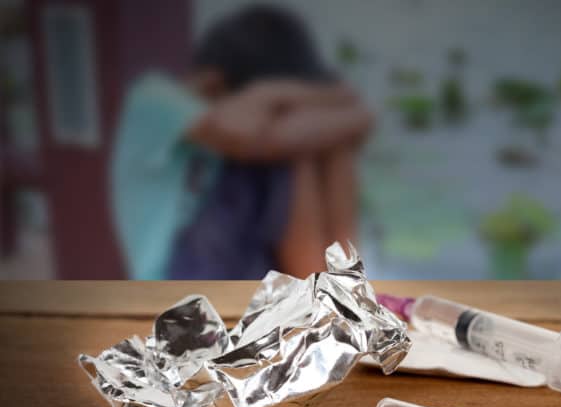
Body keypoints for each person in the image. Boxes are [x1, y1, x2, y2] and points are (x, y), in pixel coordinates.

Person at [111, 5, 372, 280]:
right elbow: (242, 133)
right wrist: (278, 93)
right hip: (176, 284)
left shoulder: (238, 132)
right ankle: (322, 285)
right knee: (294, 145)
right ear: (216, 81)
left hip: (249, 275)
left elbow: (354, 120)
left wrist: (330, 112)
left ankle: (341, 284)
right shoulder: (153, 96)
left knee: (316, 140)